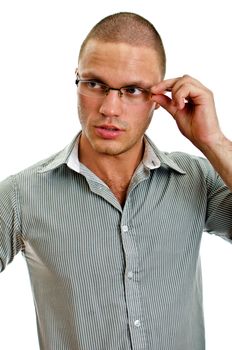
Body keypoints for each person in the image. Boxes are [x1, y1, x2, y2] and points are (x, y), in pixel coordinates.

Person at [0, 11, 232, 350]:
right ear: (76, 81)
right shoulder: (21, 196)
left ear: (159, 98)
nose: (110, 108)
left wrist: (215, 142)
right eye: (95, 84)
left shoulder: (198, 180)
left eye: (133, 90)